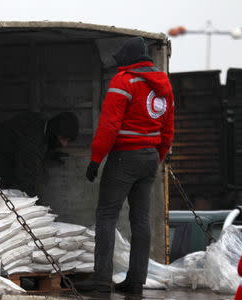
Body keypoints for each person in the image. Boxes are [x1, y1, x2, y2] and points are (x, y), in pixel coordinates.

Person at [75, 37, 175, 295]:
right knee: (140, 218)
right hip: (150, 156)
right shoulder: (163, 85)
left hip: (125, 157)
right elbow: (168, 128)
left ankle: (100, 282)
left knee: (107, 216)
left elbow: (109, 125)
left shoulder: (124, 81)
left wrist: (96, 158)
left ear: (128, 59)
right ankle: (135, 282)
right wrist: (158, 155)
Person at [0, 111, 79, 197]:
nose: (64, 144)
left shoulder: (41, 123)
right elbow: (27, 179)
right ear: (54, 131)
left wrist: (50, 154)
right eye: (63, 138)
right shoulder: (31, 139)